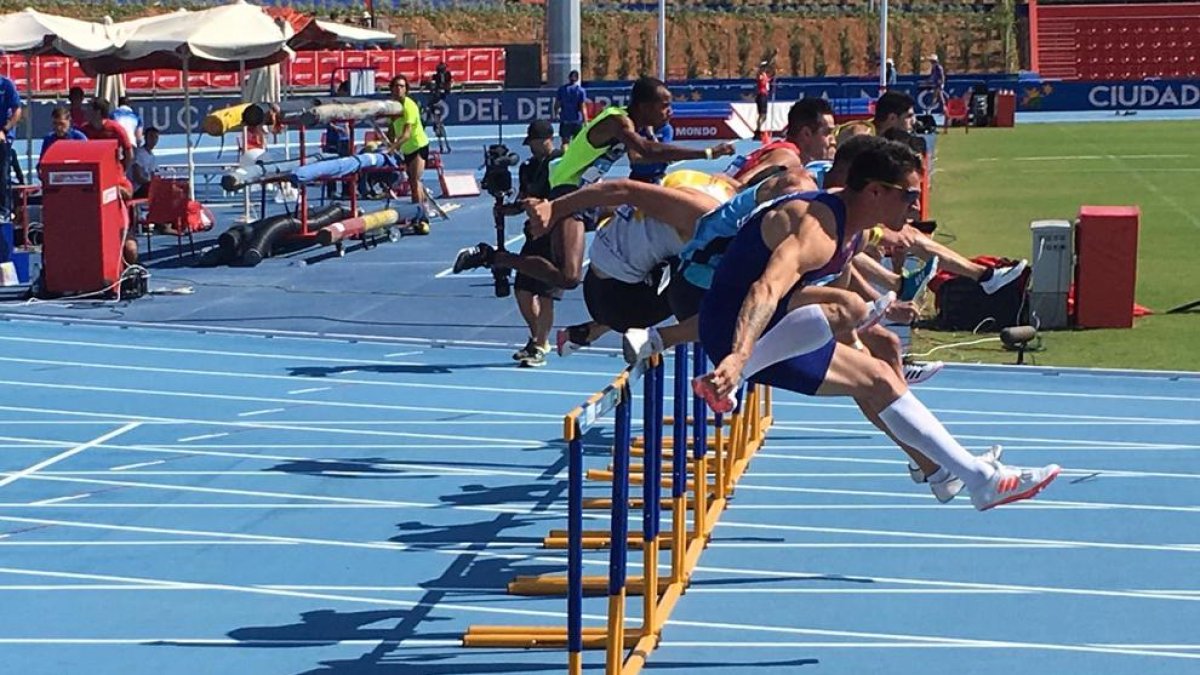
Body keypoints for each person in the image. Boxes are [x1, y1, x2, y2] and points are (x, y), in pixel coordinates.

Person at [694, 139, 1061, 510]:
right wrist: (739, 357)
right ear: (874, 191)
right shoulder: (816, 230)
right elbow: (766, 288)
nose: (916, 204)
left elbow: (912, 240)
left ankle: (962, 477)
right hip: (738, 329)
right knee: (849, 309)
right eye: (908, 196)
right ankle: (737, 377)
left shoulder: (858, 221)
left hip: (778, 324)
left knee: (880, 377)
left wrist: (980, 274)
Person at [452, 76, 735, 296]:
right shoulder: (617, 121)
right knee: (569, 277)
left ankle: (657, 264)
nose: (670, 111)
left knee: (645, 205)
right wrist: (707, 153)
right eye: (664, 105)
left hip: (587, 191)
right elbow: (647, 152)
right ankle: (496, 257)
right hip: (567, 192)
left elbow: (640, 157)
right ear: (644, 106)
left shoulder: (631, 125)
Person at [510, 120, 563, 368]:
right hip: (532, 233)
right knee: (522, 289)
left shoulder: (561, 162)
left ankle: (541, 343)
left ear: (545, 139)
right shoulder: (527, 167)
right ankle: (536, 336)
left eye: (532, 142)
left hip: (555, 235)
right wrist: (509, 207)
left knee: (546, 294)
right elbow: (522, 199)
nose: (530, 147)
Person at [728, 97, 836, 188]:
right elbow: (740, 186)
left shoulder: (781, 149)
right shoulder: (788, 157)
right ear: (806, 133)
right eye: (827, 133)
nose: (833, 140)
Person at [386, 76, 432, 232]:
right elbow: (391, 129)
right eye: (396, 86)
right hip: (406, 149)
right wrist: (386, 142)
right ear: (391, 88)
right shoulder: (391, 107)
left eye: (402, 86)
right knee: (414, 182)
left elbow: (406, 134)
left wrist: (392, 148)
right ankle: (420, 210)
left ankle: (420, 218)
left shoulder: (409, 106)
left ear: (406, 89)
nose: (399, 89)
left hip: (418, 145)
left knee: (414, 181)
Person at [81, 98, 134, 171]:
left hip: (112, 170)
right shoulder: (84, 129)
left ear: (98, 112)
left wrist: (123, 171)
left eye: (89, 109)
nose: (85, 112)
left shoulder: (116, 129)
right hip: (91, 171)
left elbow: (129, 152)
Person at [0, 70, 23, 219]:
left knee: (2, 174)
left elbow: (17, 110)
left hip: (3, 138)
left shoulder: (6, 85)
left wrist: (4, 129)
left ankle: (4, 211)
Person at [554, 70, 589, 150]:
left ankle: (564, 157)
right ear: (577, 79)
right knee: (577, 142)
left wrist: (556, 113)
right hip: (577, 121)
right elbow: (583, 107)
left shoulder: (562, 89)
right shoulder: (581, 91)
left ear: (569, 78)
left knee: (565, 142)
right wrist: (586, 121)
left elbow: (557, 104)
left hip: (565, 120)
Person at [129, 127, 159, 199]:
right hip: (137, 189)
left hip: (148, 186)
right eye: (151, 136)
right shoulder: (139, 153)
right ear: (145, 138)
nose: (153, 140)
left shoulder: (152, 156)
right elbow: (137, 176)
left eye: (156, 137)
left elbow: (153, 176)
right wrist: (150, 184)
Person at [926, 54, 949, 129]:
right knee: (939, 97)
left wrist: (942, 83)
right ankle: (944, 109)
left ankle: (934, 109)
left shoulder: (938, 67)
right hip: (936, 83)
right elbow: (932, 75)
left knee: (937, 97)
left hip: (938, 84)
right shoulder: (934, 67)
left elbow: (942, 76)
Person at [754, 61, 773, 140]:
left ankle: (758, 129)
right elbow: (759, 77)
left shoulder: (765, 75)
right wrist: (760, 69)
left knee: (764, 116)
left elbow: (770, 78)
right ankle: (757, 131)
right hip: (761, 95)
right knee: (762, 115)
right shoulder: (760, 75)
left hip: (765, 96)